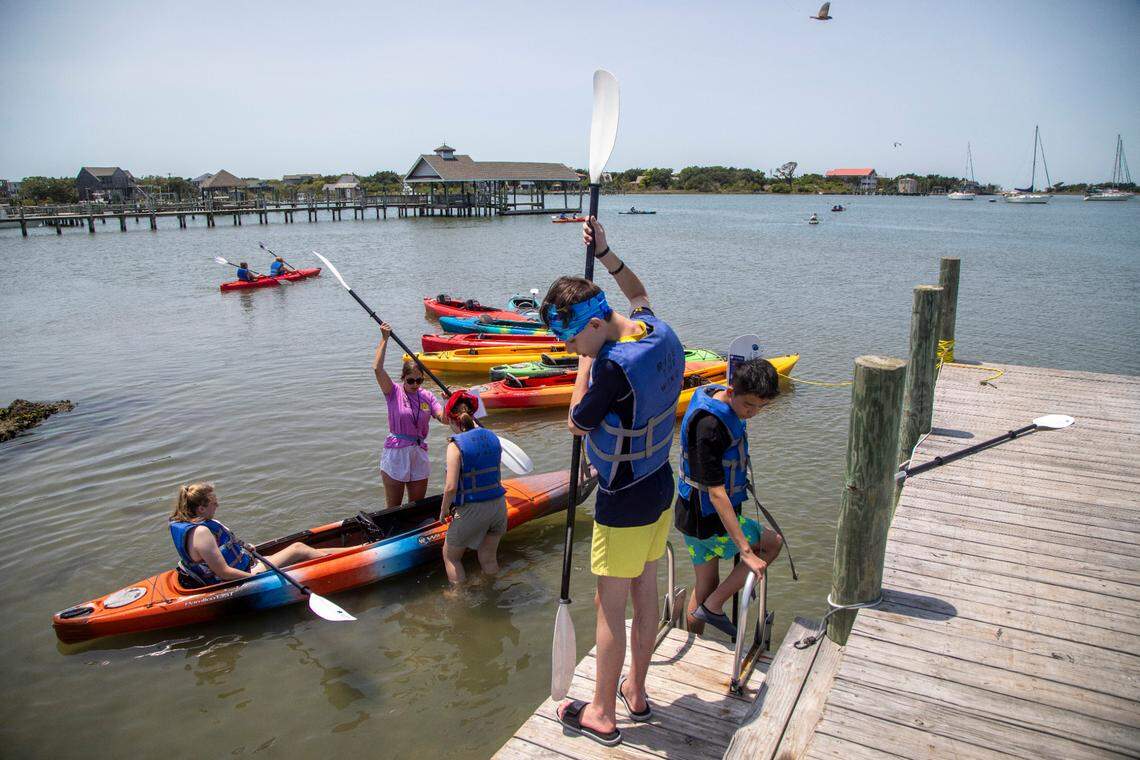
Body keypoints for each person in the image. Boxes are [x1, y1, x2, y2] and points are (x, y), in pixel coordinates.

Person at [546, 217, 684, 748]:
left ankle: (602, 712)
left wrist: (584, 366)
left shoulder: (608, 367)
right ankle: (638, 691)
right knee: (646, 591)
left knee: (610, 607)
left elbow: (577, 421)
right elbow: (639, 292)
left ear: (597, 325)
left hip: (622, 499)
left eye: (574, 339)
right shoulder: (657, 329)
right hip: (659, 483)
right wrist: (606, 253)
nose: (573, 348)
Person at [675, 358, 785, 637]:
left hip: (690, 515)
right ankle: (713, 606)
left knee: (704, 586)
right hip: (707, 518)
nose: (754, 413)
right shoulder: (710, 427)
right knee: (771, 545)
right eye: (749, 405)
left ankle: (694, 637)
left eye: (761, 406)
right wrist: (746, 553)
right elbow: (716, 492)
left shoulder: (715, 397)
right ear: (732, 390)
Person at [169, 482, 334, 587]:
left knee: (301, 549)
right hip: (240, 576)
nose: (217, 505)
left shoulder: (188, 524)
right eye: (214, 503)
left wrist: (244, 549)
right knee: (299, 549)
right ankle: (347, 559)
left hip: (244, 564)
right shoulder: (201, 532)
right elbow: (224, 572)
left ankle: (357, 548)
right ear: (201, 509)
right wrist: (258, 581)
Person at [438, 390, 508, 584]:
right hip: (499, 507)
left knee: (451, 557)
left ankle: (459, 600)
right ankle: (494, 591)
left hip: (472, 509)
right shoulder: (493, 437)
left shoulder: (455, 445)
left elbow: (451, 487)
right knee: (488, 558)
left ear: (454, 421)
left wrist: (444, 511)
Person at [374, 322, 446, 508]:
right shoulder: (393, 392)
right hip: (396, 453)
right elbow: (377, 369)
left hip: (418, 453)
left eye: (419, 380)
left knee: (416, 507)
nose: (415, 384)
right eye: (410, 380)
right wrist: (384, 339)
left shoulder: (427, 396)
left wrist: (450, 403)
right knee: (394, 508)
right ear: (403, 378)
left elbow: (443, 418)